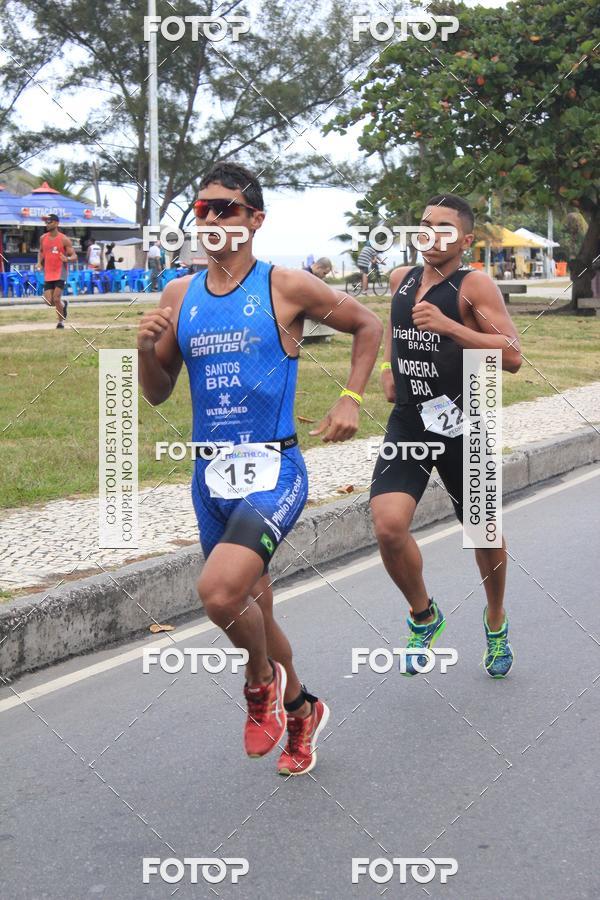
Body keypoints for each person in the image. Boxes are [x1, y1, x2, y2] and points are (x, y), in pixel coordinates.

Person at [138, 161, 382, 775]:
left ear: (255, 219)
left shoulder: (286, 286)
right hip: (209, 477)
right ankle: (300, 710)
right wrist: (145, 350)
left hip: (275, 469)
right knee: (257, 610)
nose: (212, 219)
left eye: (225, 208)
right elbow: (158, 391)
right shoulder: (179, 295)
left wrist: (350, 398)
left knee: (219, 594)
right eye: (202, 210)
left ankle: (258, 683)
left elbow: (367, 324)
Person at [370, 194, 522, 678]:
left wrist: (452, 327)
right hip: (411, 419)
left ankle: (495, 619)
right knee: (388, 526)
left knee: (483, 531)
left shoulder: (473, 285)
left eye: (442, 227)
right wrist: (390, 367)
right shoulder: (401, 279)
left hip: (465, 421)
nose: (429, 234)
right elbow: (398, 332)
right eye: (423, 224)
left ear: (465, 239)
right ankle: (424, 615)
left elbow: (513, 354)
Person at [37, 214, 77, 329]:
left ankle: (60, 323)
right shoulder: (43, 238)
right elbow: (40, 252)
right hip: (48, 273)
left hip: (61, 272)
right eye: (46, 222)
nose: (47, 224)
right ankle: (63, 304)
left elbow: (74, 256)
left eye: (50, 222)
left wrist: (68, 259)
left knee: (56, 298)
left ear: (56, 223)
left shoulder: (64, 239)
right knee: (48, 301)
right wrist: (39, 262)